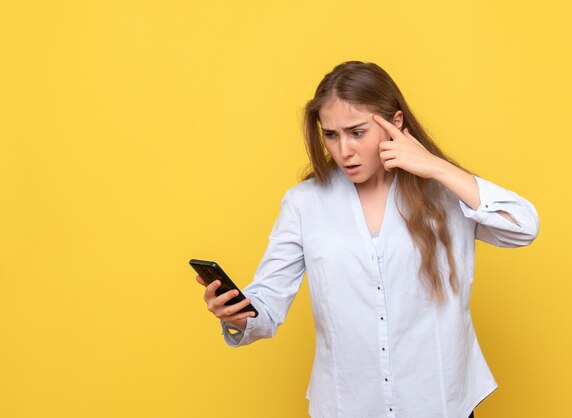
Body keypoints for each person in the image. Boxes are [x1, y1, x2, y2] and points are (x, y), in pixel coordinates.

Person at [195, 61, 539, 418]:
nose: (343, 151)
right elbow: (266, 311)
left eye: (357, 133)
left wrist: (435, 166)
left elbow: (523, 227)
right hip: (348, 407)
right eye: (331, 134)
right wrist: (237, 314)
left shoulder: (443, 193)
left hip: (439, 404)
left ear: (396, 124)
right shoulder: (304, 203)